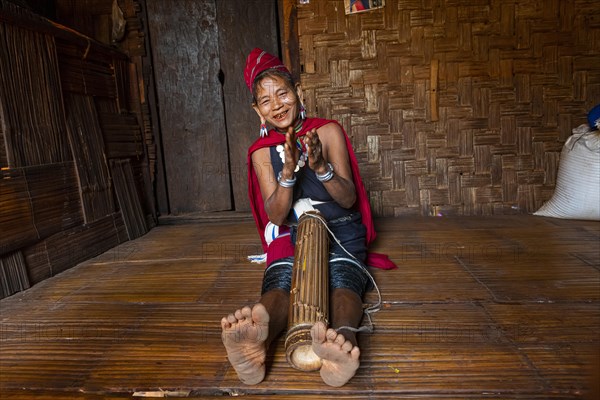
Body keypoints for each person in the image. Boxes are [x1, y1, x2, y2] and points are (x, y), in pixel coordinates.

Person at [220, 48, 394, 387]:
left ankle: (342, 343)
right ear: (258, 111)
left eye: (282, 93)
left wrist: (320, 168)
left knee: (343, 282)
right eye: (266, 100)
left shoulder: (327, 132)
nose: (277, 105)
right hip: (290, 232)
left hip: (340, 227)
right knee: (281, 283)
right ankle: (259, 339)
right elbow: (277, 213)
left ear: (298, 92)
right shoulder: (260, 152)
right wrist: (287, 172)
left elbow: (348, 198)